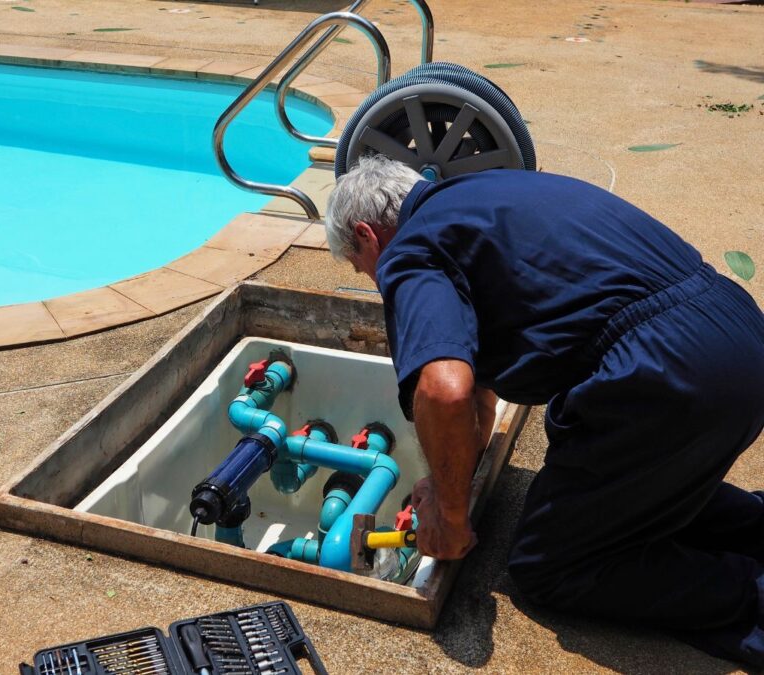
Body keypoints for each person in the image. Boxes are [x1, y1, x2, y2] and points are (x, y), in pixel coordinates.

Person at [324, 153, 764, 667]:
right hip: (735, 338)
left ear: (368, 235)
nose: (377, 284)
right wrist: (450, 483)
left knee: (550, 563)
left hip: (668, 374)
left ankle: (749, 596)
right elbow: (479, 393)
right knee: (635, 496)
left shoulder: (411, 250)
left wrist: (449, 517)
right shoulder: (483, 196)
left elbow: (444, 390)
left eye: (363, 269)